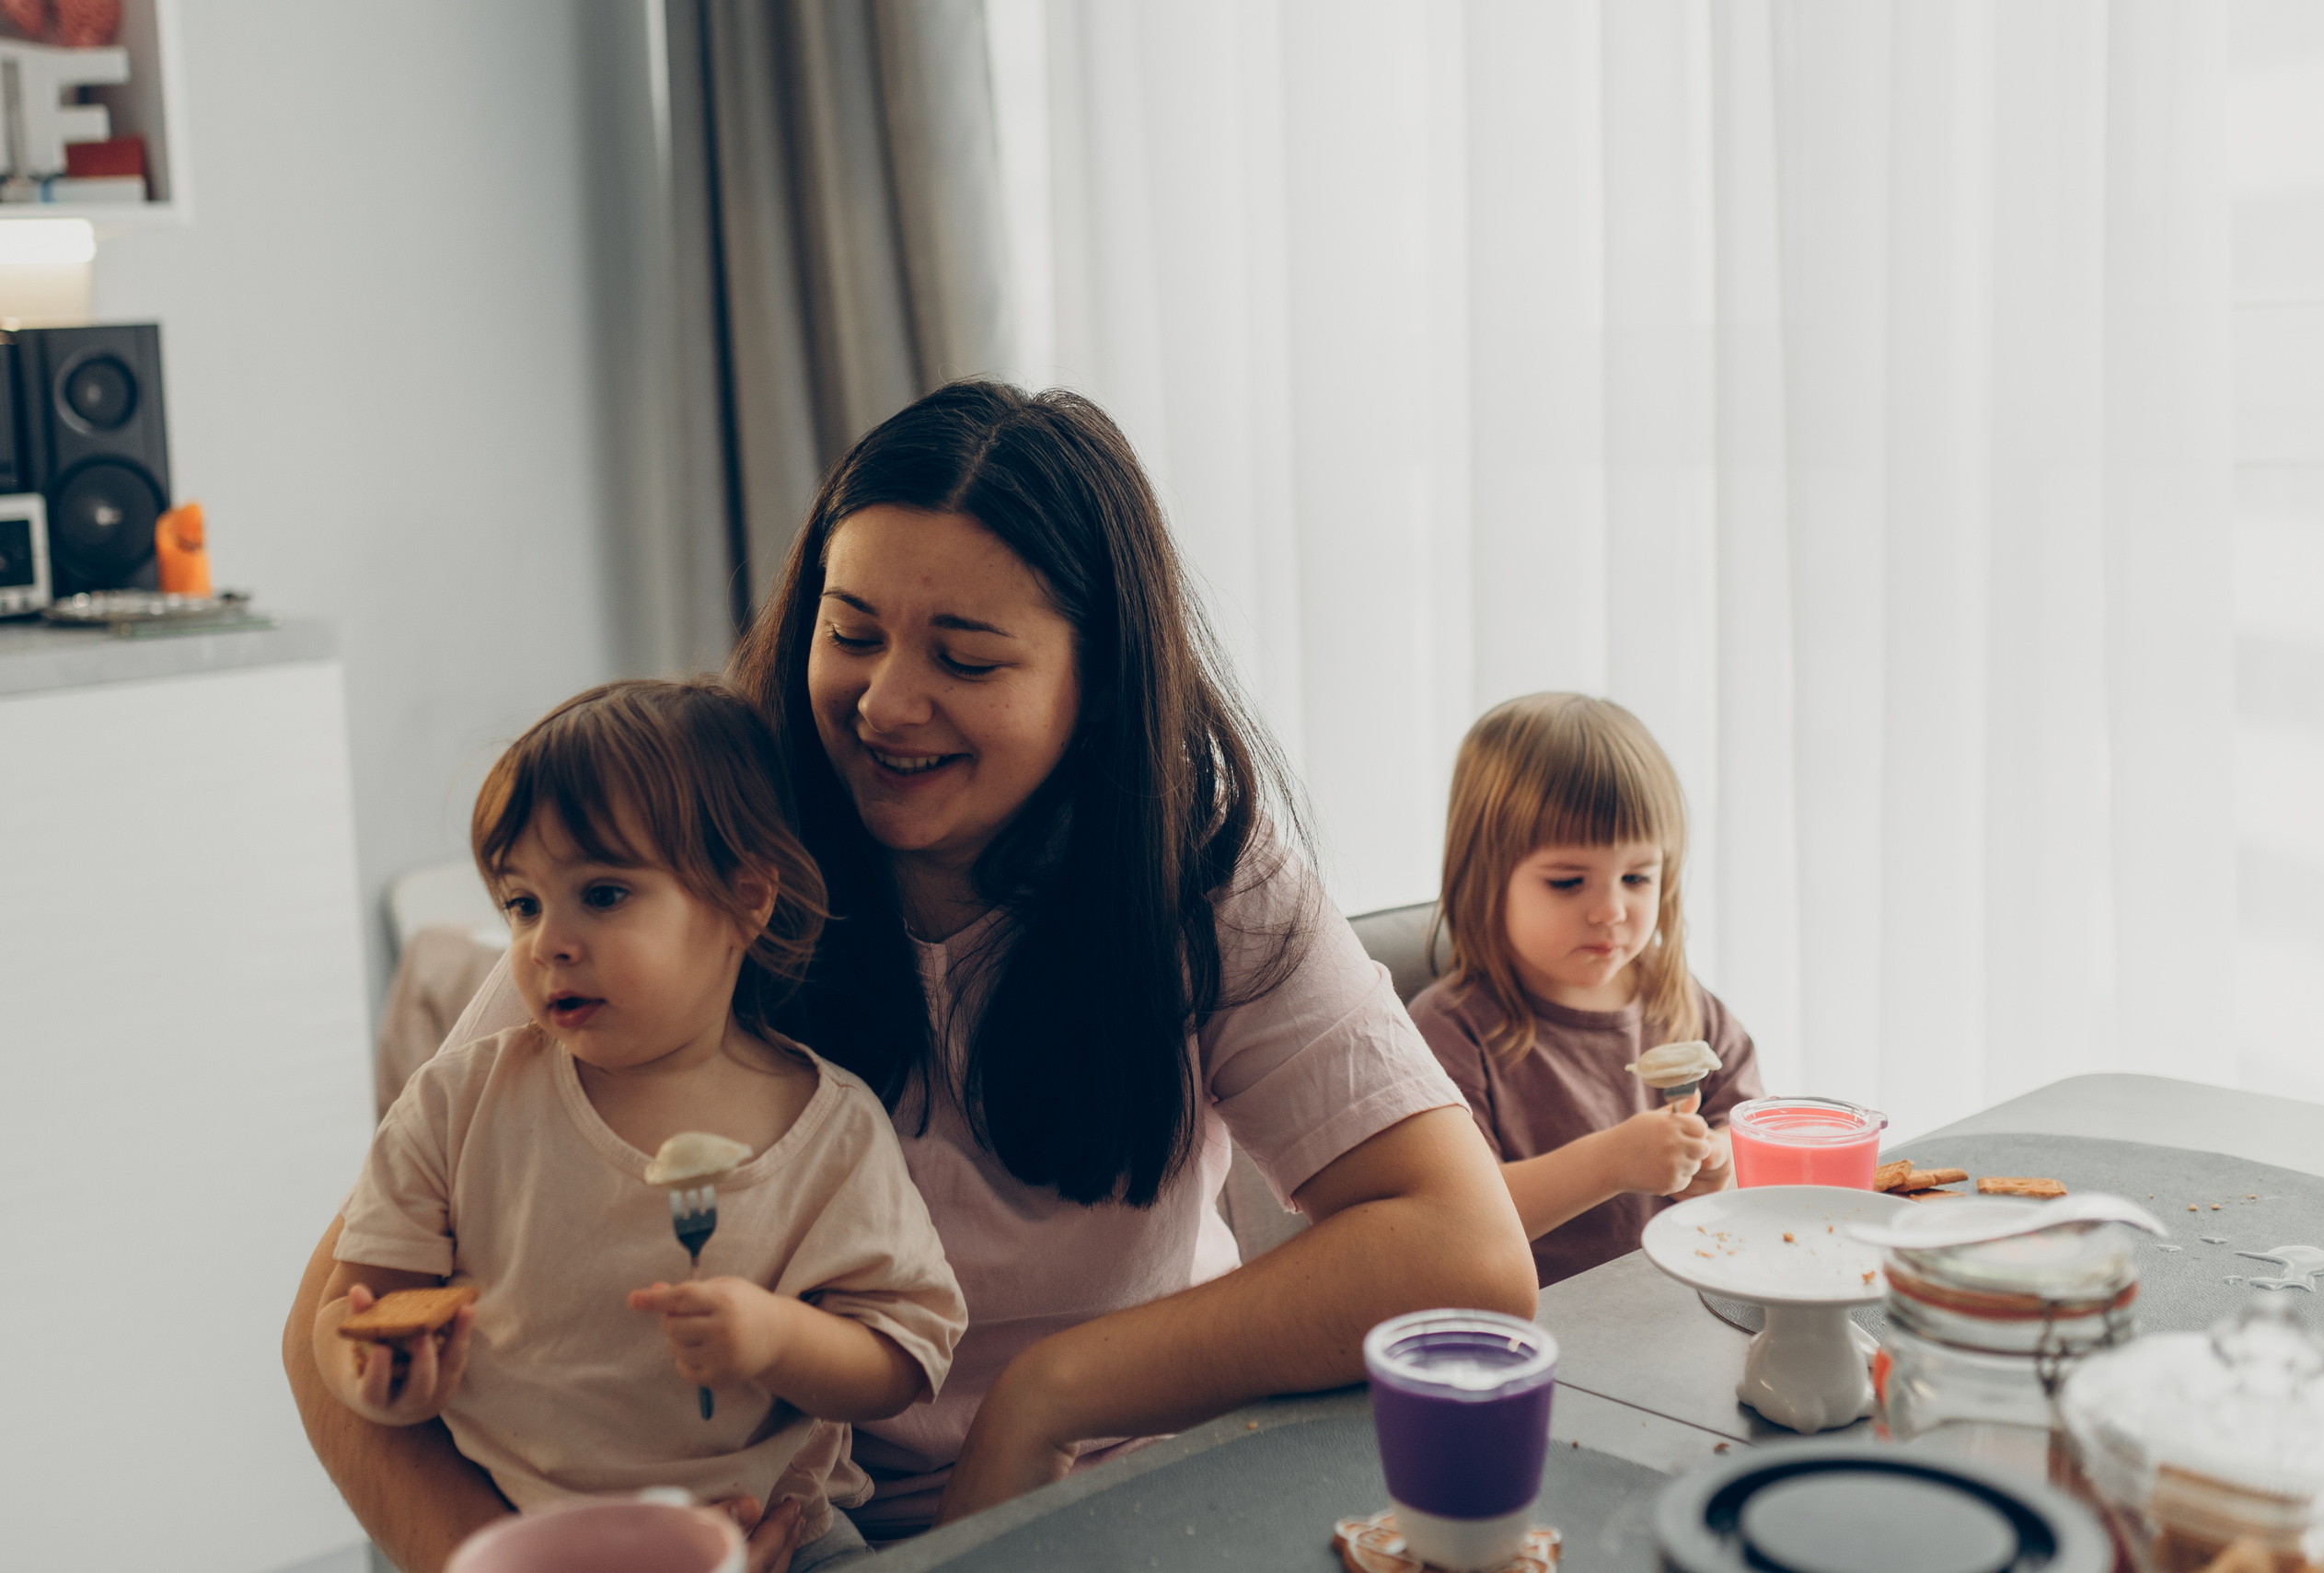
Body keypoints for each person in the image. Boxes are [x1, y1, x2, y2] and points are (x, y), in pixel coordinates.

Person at [283, 383, 1534, 1573]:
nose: (886, 703)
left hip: (1114, 1492)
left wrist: (1051, 1395)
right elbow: (328, 1330)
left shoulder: (1194, 867)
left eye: (969, 658)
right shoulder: (699, 849)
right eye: (851, 632)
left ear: (1096, 688)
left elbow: (1460, 1247)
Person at [311, 679, 965, 1572]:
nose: (548, 942)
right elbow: (350, 1308)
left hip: (774, 1536)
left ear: (746, 899)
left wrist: (776, 1336)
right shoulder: (459, 1101)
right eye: (523, 902)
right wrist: (377, 1376)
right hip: (516, 1531)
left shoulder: (831, 1128)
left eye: (604, 892)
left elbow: (904, 1352)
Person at [1409, 693, 1765, 1288]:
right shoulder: (1454, 1028)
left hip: (1678, 1304)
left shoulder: (1675, 997)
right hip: (1542, 1333)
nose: (1610, 910)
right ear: (1483, 878)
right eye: (1569, 881)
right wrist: (1611, 1163)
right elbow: (1458, 1219)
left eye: (1637, 877)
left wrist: (1720, 1160)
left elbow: (1748, 1126)